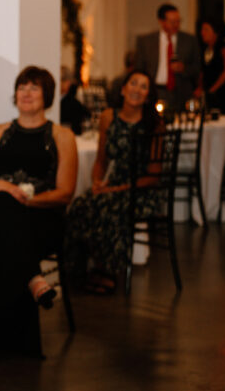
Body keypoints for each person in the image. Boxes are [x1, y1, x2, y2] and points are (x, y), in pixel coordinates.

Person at [0, 66, 77, 364]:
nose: (26, 93)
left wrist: (25, 200)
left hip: (40, 217)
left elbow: (65, 192)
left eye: (34, 88)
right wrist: (0, 185)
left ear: (47, 95)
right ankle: (33, 276)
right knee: (1, 207)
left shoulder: (61, 136)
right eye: (22, 87)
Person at [65, 70, 162, 294]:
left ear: (148, 96)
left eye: (143, 86)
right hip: (112, 184)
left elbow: (154, 175)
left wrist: (118, 188)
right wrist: (97, 181)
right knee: (80, 205)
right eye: (133, 84)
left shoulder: (154, 124)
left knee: (109, 207)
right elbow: (101, 160)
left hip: (141, 189)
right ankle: (78, 269)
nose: (137, 89)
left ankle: (107, 271)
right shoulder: (109, 116)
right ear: (123, 89)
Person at [134, 3, 201, 112]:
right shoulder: (146, 41)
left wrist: (183, 68)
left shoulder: (190, 40)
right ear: (161, 21)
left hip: (181, 92)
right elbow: (139, 69)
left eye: (178, 21)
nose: (176, 25)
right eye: (172, 22)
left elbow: (197, 69)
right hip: (156, 90)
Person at [198, 19, 225, 115]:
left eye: (206, 29)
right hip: (210, 95)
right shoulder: (205, 49)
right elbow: (202, 72)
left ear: (216, 32)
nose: (202, 33)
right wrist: (201, 87)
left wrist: (212, 89)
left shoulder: (224, 47)